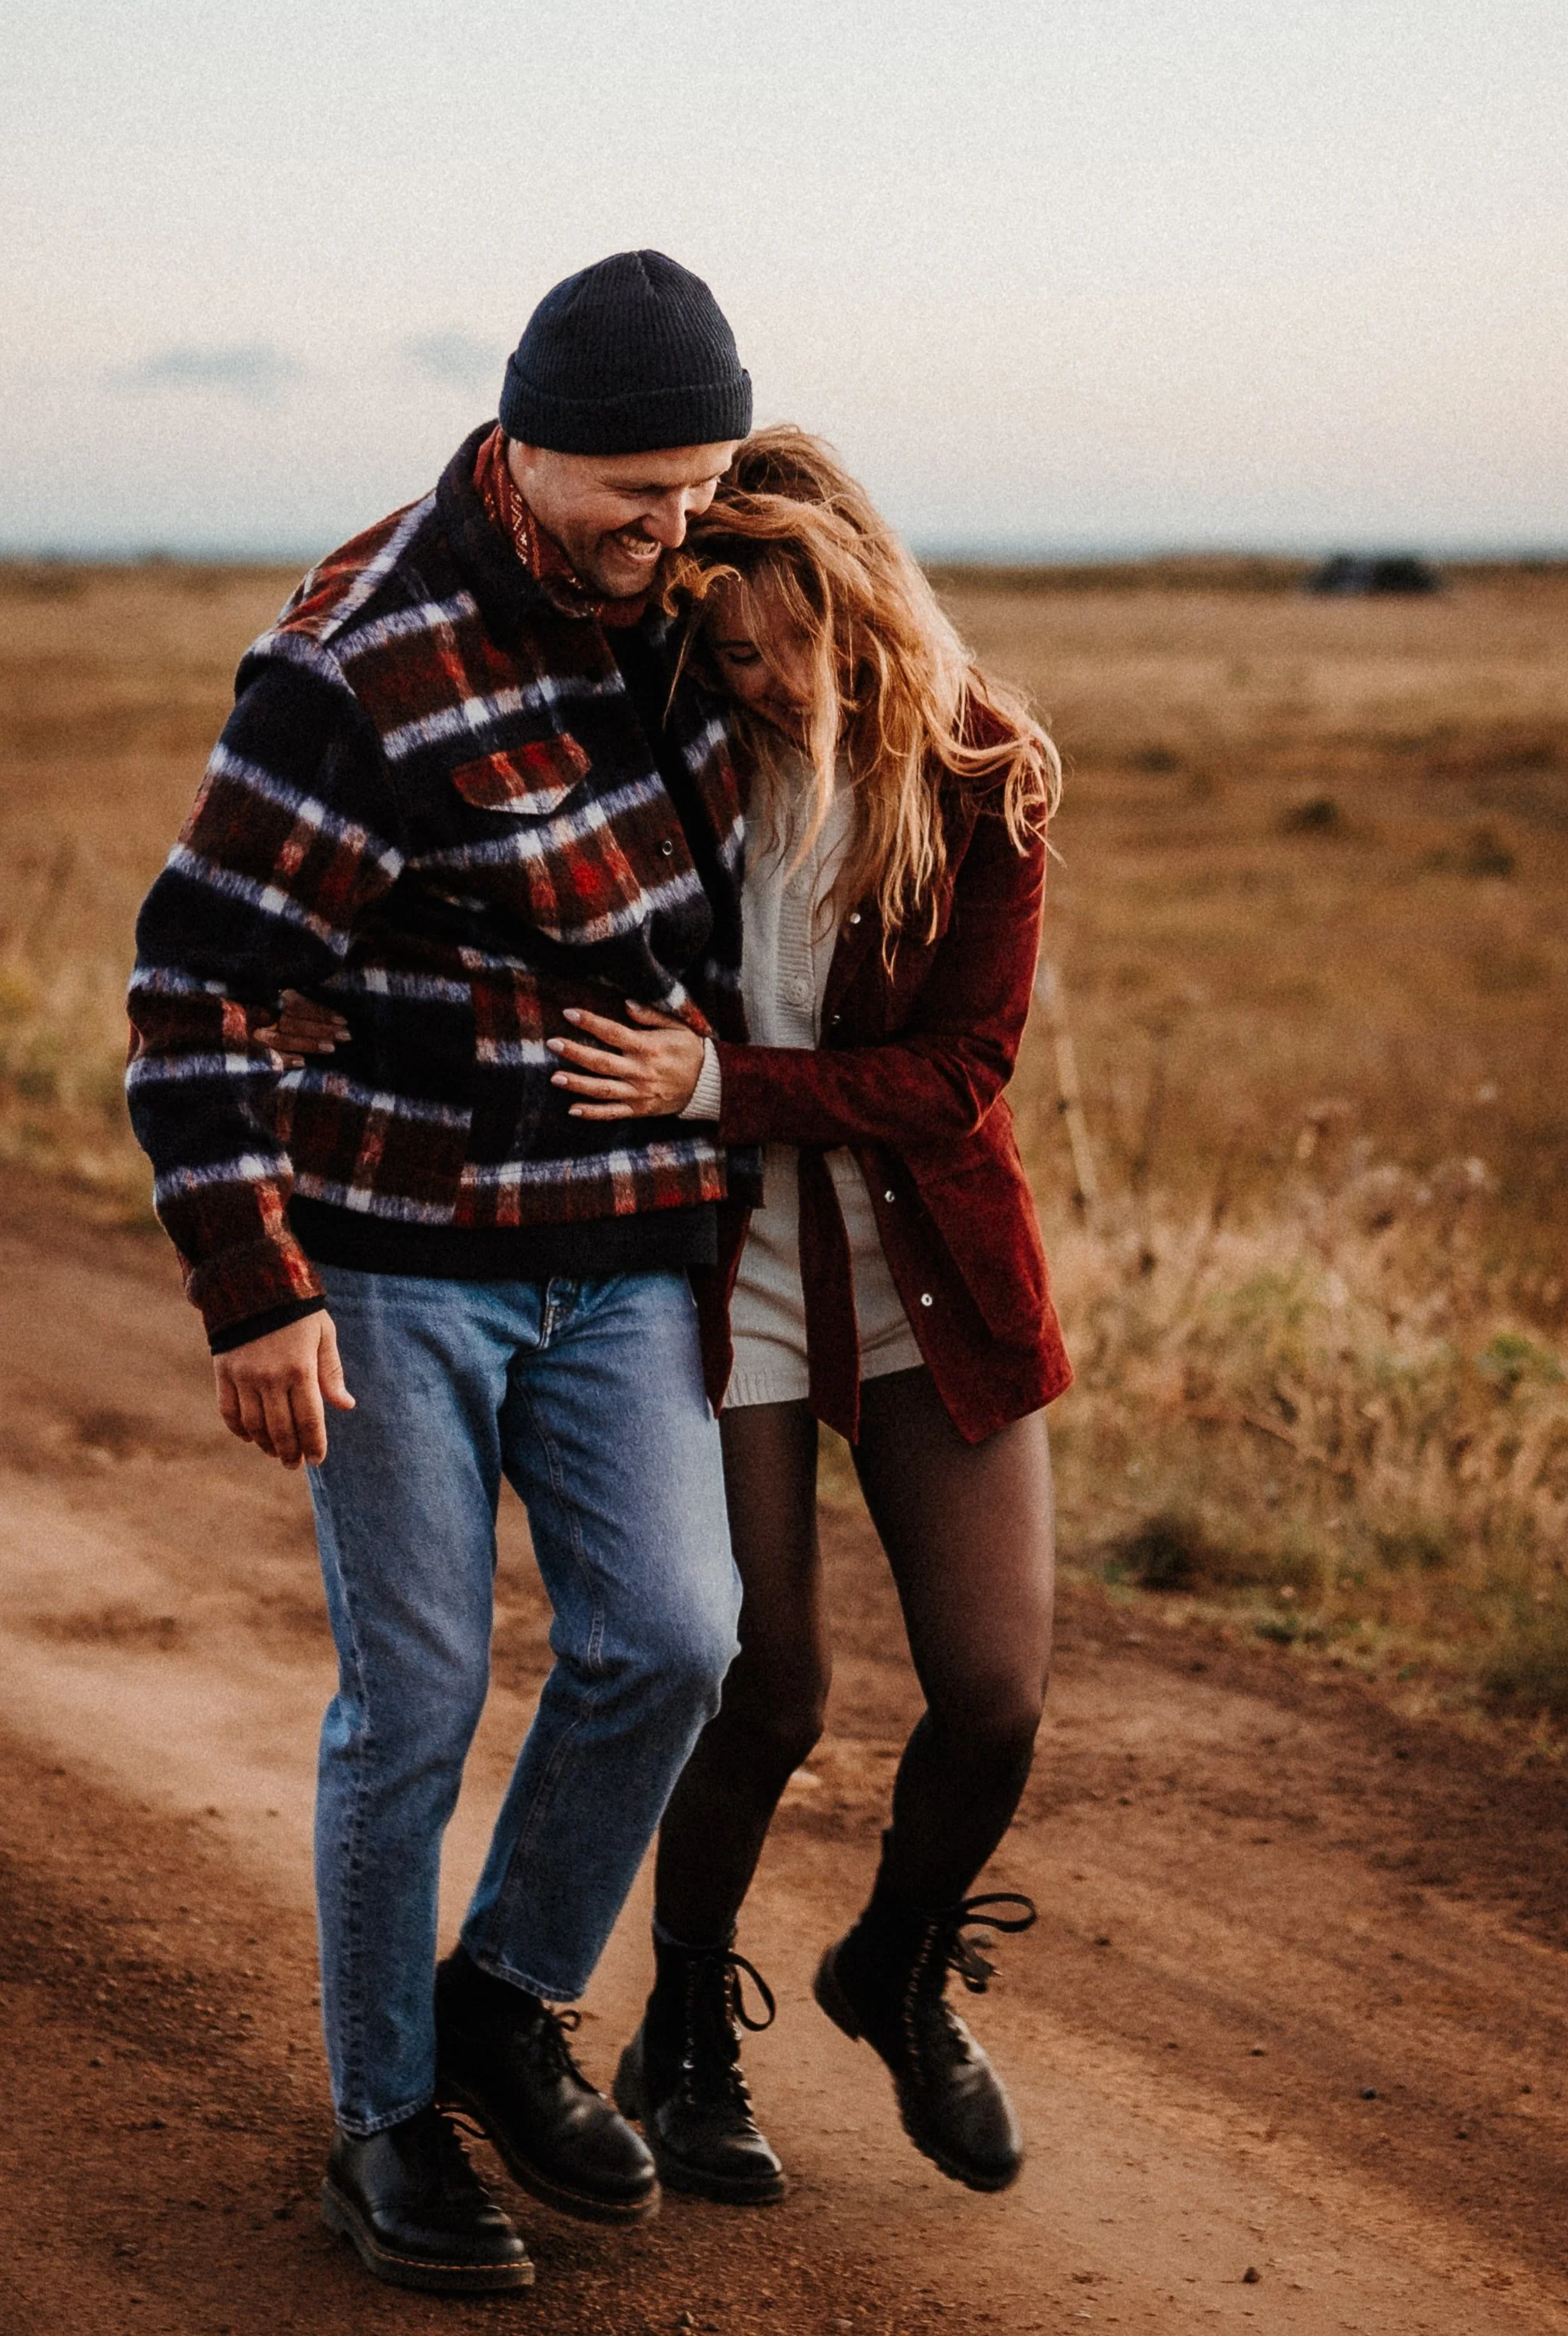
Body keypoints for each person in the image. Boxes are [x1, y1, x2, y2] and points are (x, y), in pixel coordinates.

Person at [125, 252, 759, 2299]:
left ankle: (505, 1989)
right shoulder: (354, 655)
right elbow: (196, 981)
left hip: (628, 1246)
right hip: (399, 1258)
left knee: (672, 1634)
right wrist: (255, 1283)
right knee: (415, 1694)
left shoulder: (692, 594)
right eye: (635, 497)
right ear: (521, 449)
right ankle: (387, 2119)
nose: (673, 536)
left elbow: (860, 719)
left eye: (702, 488)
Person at [542, 428, 1069, 2203]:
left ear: (861, 606)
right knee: (761, 1690)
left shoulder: (984, 769)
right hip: (729, 1260)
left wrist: (718, 1084)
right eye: (732, 648)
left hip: (927, 1258)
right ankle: (680, 2031)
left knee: (992, 1694)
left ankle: (893, 1969)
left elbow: (954, 1077)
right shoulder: (678, 744)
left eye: (791, 644)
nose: (761, 680)